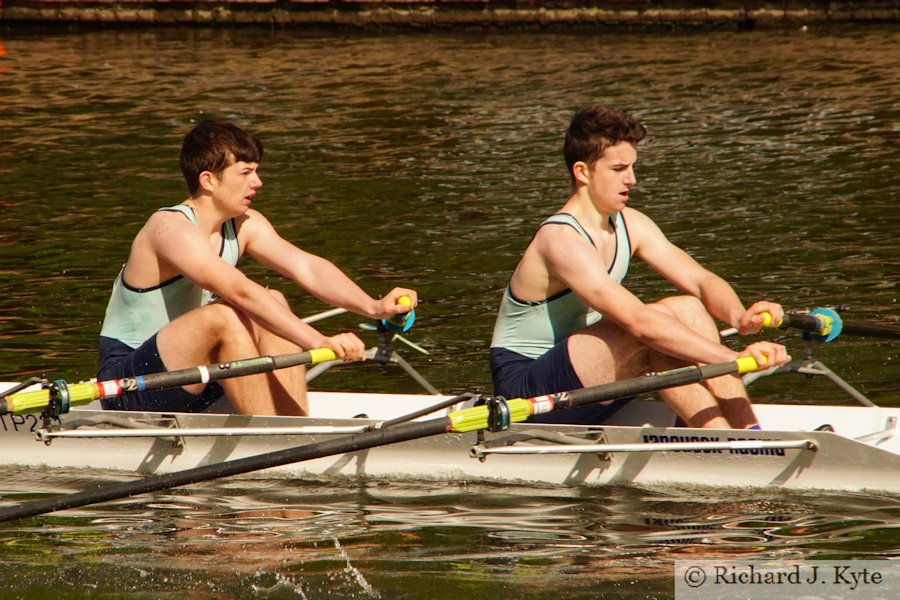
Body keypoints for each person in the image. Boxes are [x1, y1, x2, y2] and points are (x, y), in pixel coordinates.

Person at [489, 104, 790, 429]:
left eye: (632, 167)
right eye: (619, 168)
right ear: (583, 172)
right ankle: (726, 444)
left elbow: (700, 280)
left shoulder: (631, 224)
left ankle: (748, 436)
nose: (632, 179)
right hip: (526, 394)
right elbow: (639, 323)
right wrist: (733, 360)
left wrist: (738, 317)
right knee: (651, 329)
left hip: (586, 376)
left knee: (686, 307)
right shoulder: (560, 240)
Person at [98, 120, 416, 416]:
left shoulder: (244, 225)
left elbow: (307, 267)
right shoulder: (169, 228)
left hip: (200, 376)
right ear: (208, 180)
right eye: (246, 173)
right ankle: (270, 440)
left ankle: (295, 425)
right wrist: (317, 341)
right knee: (227, 314)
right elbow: (240, 291)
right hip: (129, 386)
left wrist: (374, 308)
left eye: (257, 172)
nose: (258, 182)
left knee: (274, 299)